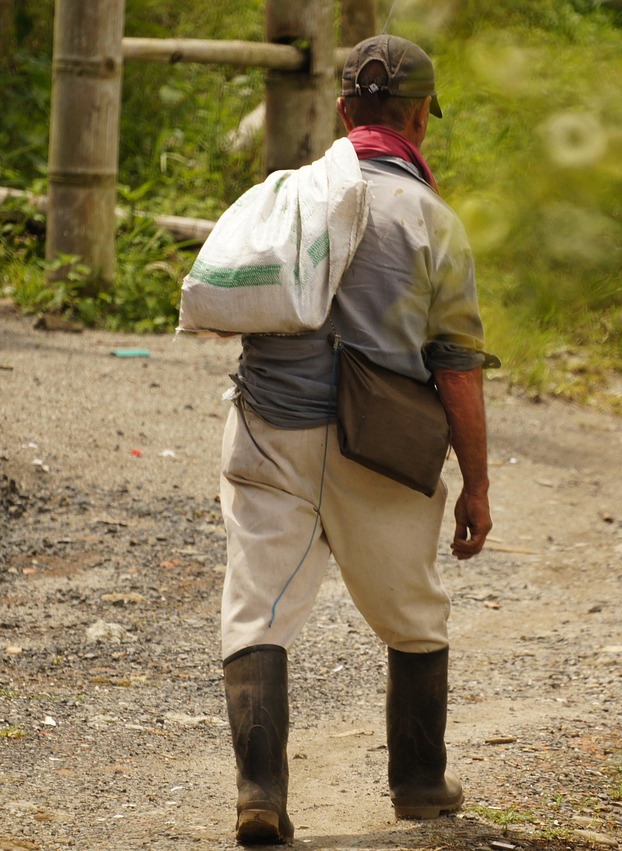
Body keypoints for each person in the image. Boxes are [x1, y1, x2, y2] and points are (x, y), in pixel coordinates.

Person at [218, 34, 495, 845]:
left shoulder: (287, 196)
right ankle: (417, 783)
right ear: (419, 119)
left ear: (343, 112)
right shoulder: (435, 223)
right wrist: (476, 485)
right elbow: (458, 371)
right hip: (381, 444)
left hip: (270, 427)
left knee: (258, 608)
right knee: (413, 612)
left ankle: (260, 793)